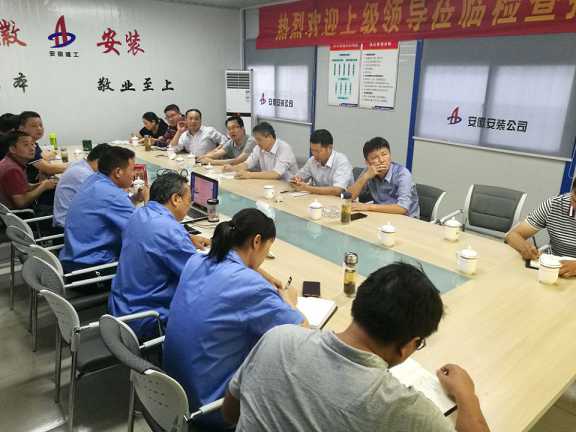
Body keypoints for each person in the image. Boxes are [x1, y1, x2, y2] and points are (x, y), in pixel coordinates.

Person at [223, 263, 490, 432]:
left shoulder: (278, 337)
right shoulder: (403, 410)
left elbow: (231, 412)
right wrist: (467, 396)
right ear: (408, 346)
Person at [164, 208, 306, 430]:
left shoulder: (196, 260)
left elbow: (232, 268)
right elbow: (302, 333)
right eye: (268, 248)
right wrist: (289, 301)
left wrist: (259, 273)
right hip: (210, 407)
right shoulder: (251, 287)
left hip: (170, 390)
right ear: (257, 241)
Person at [108, 171, 210, 340]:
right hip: (147, 321)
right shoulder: (170, 231)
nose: (189, 205)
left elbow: (158, 236)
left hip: (120, 309)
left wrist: (187, 237)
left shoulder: (139, 214)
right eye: (189, 200)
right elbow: (202, 276)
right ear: (176, 199)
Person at [59, 146, 148, 273]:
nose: (134, 175)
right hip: (90, 269)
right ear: (118, 172)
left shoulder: (93, 179)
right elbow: (145, 230)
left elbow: (109, 207)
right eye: (132, 169)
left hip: (71, 259)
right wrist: (148, 199)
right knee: (152, 262)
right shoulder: (113, 195)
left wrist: (133, 199)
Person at [506, 177, 576, 277]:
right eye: (574, 200)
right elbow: (512, 235)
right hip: (551, 268)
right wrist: (524, 247)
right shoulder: (554, 205)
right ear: (571, 191)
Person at [348, 137, 420, 218]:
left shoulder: (402, 174)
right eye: (375, 157)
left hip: (407, 219)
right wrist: (365, 177)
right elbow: (349, 198)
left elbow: (402, 208)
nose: (381, 160)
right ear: (367, 162)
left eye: (384, 154)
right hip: (382, 216)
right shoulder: (368, 171)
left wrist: (368, 207)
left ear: (390, 155)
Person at [52, 143, 111, 228]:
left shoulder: (80, 164)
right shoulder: (84, 174)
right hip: (67, 227)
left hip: (70, 218)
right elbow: (106, 202)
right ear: (99, 162)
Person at [0, 131, 57, 210]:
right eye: (26, 145)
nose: (32, 148)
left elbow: (23, 187)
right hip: (24, 214)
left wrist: (42, 183)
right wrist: (43, 186)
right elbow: (21, 203)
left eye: (32, 144)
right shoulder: (12, 170)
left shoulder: (9, 161)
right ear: (13, 149)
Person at [223, 122, 298, 181]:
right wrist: (234, 168)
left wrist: (249, 175)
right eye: (256, 139)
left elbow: (276, 174)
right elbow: (248, 163)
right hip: (269, 183)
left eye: (259, 139)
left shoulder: (284, 148)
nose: (257, 142)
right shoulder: (258, 147)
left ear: (270, 137)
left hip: (287, 186)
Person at [290, 129, 353, 196]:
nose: (314, 154)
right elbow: (296, 178)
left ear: (330, 147)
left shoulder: (342, 161)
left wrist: (307, 188)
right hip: (320, 199)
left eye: (317, 151)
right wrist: (296, 180)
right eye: (312, 150)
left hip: (342, 200)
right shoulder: (312, 160)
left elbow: (337, 190)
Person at [18, 111, 67, 184]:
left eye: (41, 125)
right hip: (33, 187)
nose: (39, 128)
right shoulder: (25, 147)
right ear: (22, 128)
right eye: (34, 126)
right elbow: (49, 169)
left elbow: (43, 157)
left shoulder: (33, 143)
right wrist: (74, 166)